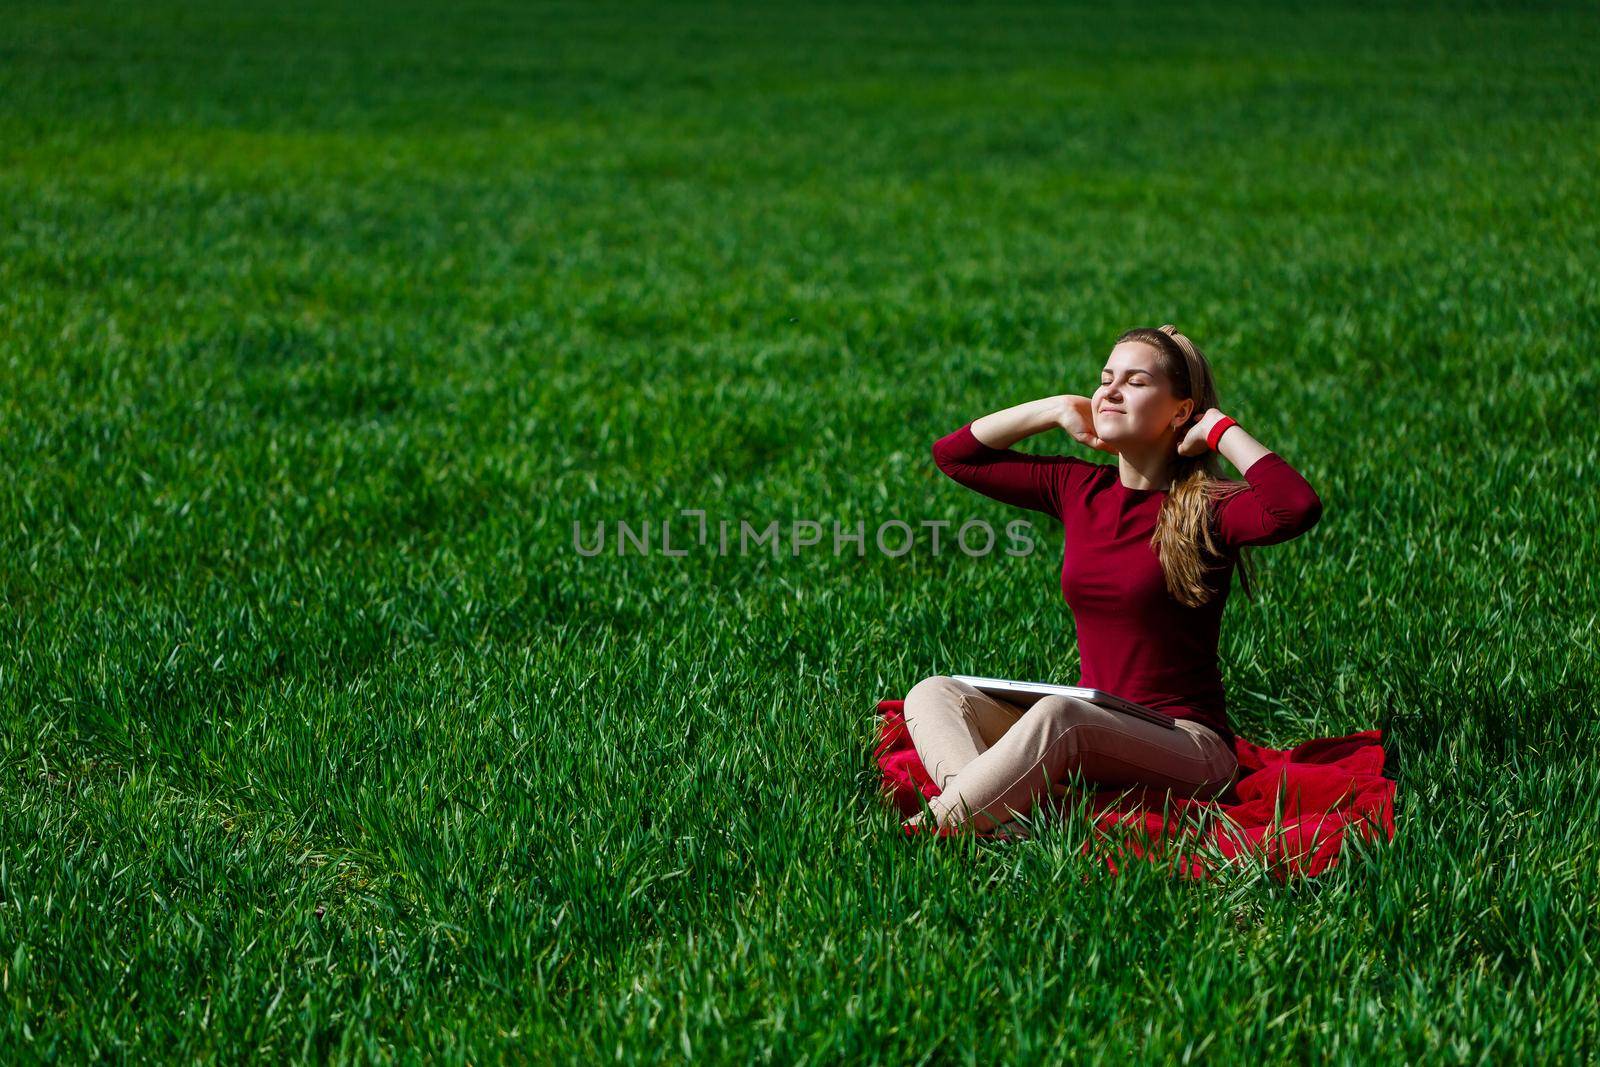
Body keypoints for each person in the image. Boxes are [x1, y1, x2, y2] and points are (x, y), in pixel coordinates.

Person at [903, 325, 1323, 836]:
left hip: (1188, 746)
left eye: (1136, 381)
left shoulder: (1209, 506)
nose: (1111, 392)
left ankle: (930, 831)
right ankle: (997, 821)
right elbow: (954, 455)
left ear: (1180, 411)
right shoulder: (1079, 487)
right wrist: (1055, 407)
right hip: (1092, 728)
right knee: (935, 693)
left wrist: (1217, 428)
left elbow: (1295, 507)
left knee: (1061, 716)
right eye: (1106, 379)